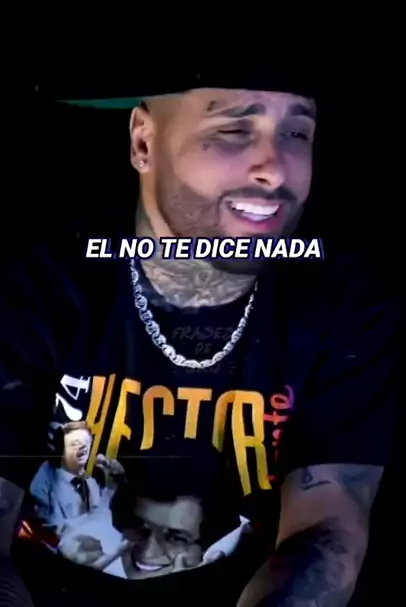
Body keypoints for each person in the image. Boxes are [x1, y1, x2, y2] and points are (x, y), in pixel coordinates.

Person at [0, 72, 398, 606]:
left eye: (296, 133)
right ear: (144, 142)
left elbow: (327, 527)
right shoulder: (36, 286)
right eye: (234, 130)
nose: (275, 169)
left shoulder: (342, 303)